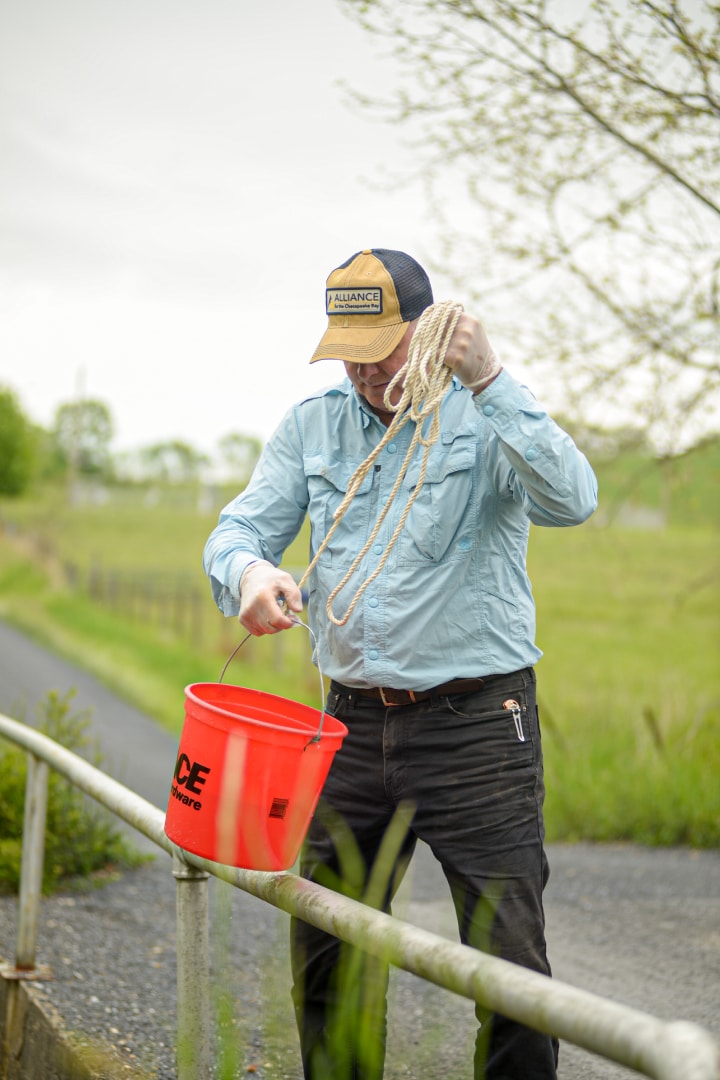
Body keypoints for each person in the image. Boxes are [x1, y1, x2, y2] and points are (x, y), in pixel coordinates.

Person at [203, 248, 598, 1079]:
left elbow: (573, 501)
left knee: (509, 969)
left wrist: (490, 377)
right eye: (350, 348)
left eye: (384, 346)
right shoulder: (311, 424)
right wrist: (252, 574)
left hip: (478, 730)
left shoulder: (487, 415)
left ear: (431, 332)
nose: (367, 367)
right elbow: (237, 532)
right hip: (345, 726)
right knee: (329, 957)